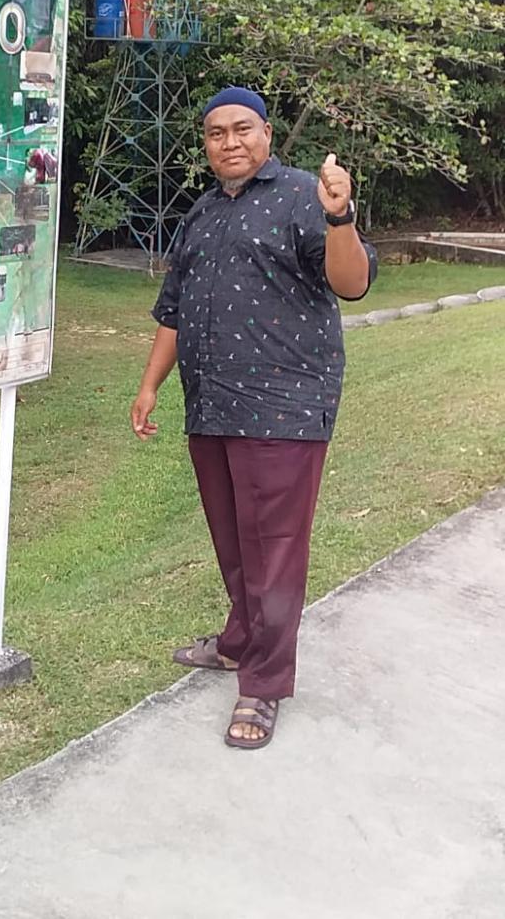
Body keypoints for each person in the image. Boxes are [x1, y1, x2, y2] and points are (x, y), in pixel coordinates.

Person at [130, 86, 377, 752]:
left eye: (243, 129)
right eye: (217, 133)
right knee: (235, 541)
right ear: (206, 145)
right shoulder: (203, 212)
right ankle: (241, 640)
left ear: (266, 134)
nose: (230, 142)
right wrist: (150, 385)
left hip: (283, 408)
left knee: (273, 548)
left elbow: (352, 283)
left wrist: (340, 217)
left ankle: (264, 683)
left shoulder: (302, 196)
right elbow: (174, 308)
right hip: (211, 404)